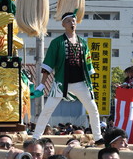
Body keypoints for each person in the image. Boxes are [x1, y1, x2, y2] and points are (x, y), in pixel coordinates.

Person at [33, 12, 103, 144]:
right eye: (69, 21)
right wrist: (42, 85)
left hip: (81, 82)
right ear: (63, 24)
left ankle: (98, 137)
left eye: (74, 20)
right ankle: (36, 136)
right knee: (47, 109)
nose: (72, 23)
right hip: (61, 82)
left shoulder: (83, 43)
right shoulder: (57, 42)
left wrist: (90, 84)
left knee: (93, 108)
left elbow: (88, 65)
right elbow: (48, 64)